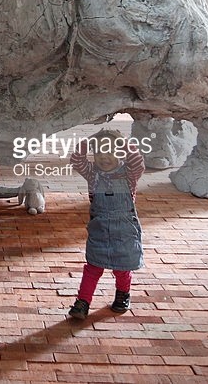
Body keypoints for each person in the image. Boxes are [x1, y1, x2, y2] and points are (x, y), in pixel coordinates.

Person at [67, 129, 145, 320]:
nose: (105, 157)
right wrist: (90, 140)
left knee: (122, 267)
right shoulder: (92, 173)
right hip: (100, 228)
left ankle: (122, 294)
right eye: (99, 152)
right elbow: (76, 159)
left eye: (111, 151)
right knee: (93, 267)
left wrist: (123, 141)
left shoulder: (129, 173)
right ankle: (82, 302)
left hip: (124, 228)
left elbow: (138, 162)